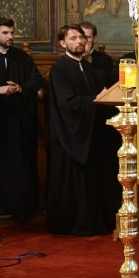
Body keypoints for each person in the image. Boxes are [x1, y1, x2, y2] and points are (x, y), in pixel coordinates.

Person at [47, 25, 112, 236]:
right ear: (63, 43)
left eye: (82, 37)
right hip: (70, 135)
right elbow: (67, 103)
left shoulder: (87, 66)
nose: (79, 41)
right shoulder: (59, 69)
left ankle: (93, 222)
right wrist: (95, 99)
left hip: (89, 133)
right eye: (73, 38)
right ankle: (72, 223)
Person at [0, 17, 44, 222]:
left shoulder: (21, 57)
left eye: (12, 33)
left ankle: (21, 204)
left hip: (18, 119)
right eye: (5, 33)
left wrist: (19, 88)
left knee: (20, 163)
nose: (10, 37)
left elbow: (37, 80)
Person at [80, 21, 121, 224]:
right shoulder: (69, 64)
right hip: (82, 122)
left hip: (102, 121)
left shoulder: (103, 61)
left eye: (87, 37)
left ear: (94, 38)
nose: (83, 41)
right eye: (80, 37)